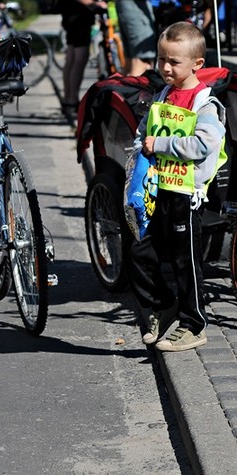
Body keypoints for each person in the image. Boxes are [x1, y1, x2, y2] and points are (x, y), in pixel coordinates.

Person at [131, 22, 226, 351]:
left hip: (186, 196)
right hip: (159, 191)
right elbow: (145, 131)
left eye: (174, 62)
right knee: (141, 253)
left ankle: (194, 323)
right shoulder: (163, 95)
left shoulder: (205, 104)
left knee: (186, 263)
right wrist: (140, 153)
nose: (165, 67)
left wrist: (158, 145)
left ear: (197, 64)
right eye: (161, 60)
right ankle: (164, 303)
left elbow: (204, 145)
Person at [59, 0, 107, 123]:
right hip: (79, 17)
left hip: (70, 14)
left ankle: (68, 100)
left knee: (71, 59)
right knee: (79, 60)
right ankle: (72, 101)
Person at [115, 0, 157, 76]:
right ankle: (134, 86)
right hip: (136, 8)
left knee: (131, 63)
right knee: (142, 64)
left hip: (128, 6)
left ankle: (128, 86)